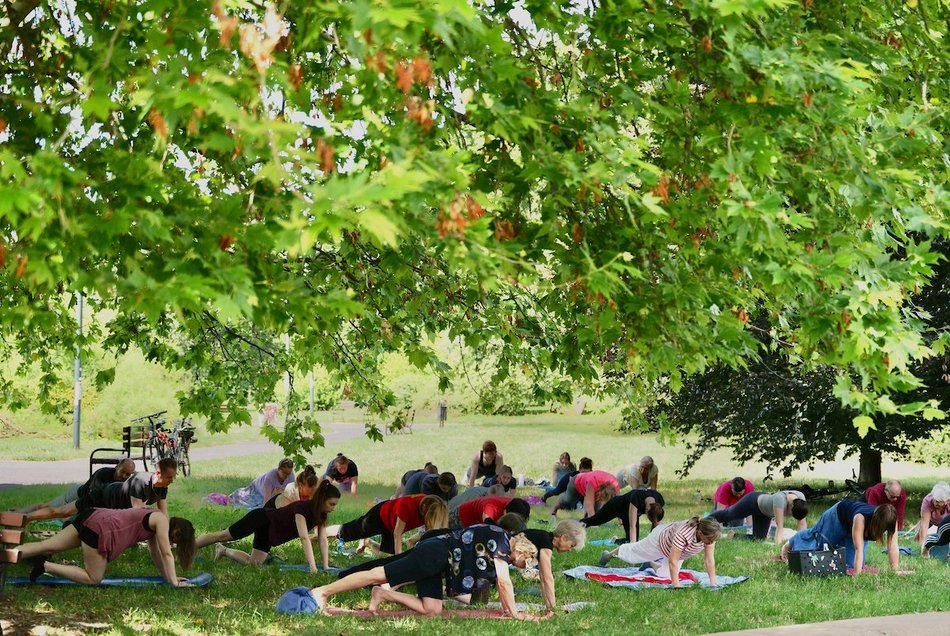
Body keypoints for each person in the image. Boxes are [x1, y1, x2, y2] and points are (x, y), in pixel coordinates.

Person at [310, 524, 538, 619]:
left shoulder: (501, 539)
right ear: (521, 554)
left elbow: (502, 583)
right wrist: (516, 614)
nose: (521, 567)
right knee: (376, 573)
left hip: (439, 560)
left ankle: (383, 594)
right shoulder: (502, 543)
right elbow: (504, 584)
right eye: (525, 563)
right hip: (434, 554)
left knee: (432, 609)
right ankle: (323, 592)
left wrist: (510, 611)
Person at [17, 507, 195, 586]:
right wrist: (174, 583)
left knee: (44, 545)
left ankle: (6, 554)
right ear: (177, 530)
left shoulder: (154, 518)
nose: (173, 543)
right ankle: (45, 565)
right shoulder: (162, 520)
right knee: (94, 578)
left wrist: (169, 578)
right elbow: (166, 553)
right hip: (100, 528)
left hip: (92, 516)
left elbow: (157, 555)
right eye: (177, 540)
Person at [195, 480, 341, 572]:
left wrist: (326, 565)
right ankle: (186, 546)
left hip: (269, 533)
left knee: (254, 564)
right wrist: (313, 567)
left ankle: (223, 550)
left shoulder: (321, 515)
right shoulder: (302, 508)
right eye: (331, 504)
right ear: (322, 500)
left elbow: (323, 540)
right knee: (223, 535)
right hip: (262, 518)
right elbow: (304, 537)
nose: (333, 508)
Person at [26, 458, 178, 522]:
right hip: (94, 495)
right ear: (158, 474)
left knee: (65, 515)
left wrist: (168, 527)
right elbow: (137, 510)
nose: (172, 481)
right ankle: (25, 517)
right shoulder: (140, 480)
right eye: (169, 477)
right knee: (60, 511)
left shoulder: (162, 488)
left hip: (107, 504)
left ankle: (25, 517)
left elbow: (163, 514)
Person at [783, 501, 901, 575]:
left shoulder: (891, 520)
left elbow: (893, 547)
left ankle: (841, 547)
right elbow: (858, 549)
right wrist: (858, 575)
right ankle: (793, 540)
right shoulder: (861, 518)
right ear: (876, 521)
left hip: (852, 527)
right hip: (837, 517)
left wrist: (895, 570)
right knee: (820, 548)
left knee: (849, 565)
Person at [599, 517, 722, 588]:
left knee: (666, 575)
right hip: (658, 542)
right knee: (633, 554)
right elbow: (673, 561)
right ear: (700, 532)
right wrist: (676, 586)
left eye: (713, 540)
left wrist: (713, 583)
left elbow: (709, 560)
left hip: (679, 551)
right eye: (710, 539)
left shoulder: (709, 537)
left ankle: (651, 564)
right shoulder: (683, 534)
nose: (711, 542)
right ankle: (608, 555)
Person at [331, 494, 447, 555]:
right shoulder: (407, 506)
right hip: (380, 516)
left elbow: (431, 532)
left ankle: (368, 542)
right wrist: (400, 558)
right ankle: (318, 534)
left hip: (391, 526)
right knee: (349, 531)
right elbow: (397, 534)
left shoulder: (432, 506)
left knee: (387, 557)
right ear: (425, 510)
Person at [19, 459, 136, 513]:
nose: (124, 476)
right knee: (49, 507)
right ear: (117, 466)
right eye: (123, 471)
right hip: (78, 494)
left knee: (57, 512)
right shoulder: (103, 474)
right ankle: (20, 512)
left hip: (85, 503)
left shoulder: (126, 484)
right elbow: (92, 497)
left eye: (128, 474)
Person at [520, 520, 586, 610]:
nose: (570, 550)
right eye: (571, 545)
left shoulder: (544, 538)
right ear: (564, 538)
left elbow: (543, 577)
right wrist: (553, 608)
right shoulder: (546, 543)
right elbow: (547, 578)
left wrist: (549, 606)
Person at [707, 489, 807, 543]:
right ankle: (704, 522)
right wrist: (778, 546)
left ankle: (733, 535)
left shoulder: (801, 499)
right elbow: (779, 527)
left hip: (764, 513)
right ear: (791, 505)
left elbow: (802, 524)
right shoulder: (780, 500)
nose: (789, 514)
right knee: (728, 514)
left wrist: (802, 543)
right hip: (752, 502)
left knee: (759, 538)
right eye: (790, 512)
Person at [580, 488, 664, 543]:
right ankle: (577, 525)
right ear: (646, 510)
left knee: (630, 540)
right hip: (615, 506)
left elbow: (656, 524)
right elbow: (632, 526)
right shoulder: (637, 497)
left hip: (627, 514)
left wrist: (652, 542)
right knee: (595, 520)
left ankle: (614, 541)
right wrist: (633, 549)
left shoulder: (659, 501)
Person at [550, 469, 619, 521]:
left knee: (597, 511)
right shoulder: (592, 482)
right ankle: (554, 509)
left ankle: (585, 520)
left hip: (594, 485)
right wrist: (594, 523)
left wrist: (621, 522)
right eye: (601, 498)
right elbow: (589, 504)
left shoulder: (616, 484)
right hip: (576, 483)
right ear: (599, 492)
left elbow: (619, 506)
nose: (600, 500)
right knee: (568, 500)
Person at [229, 459, 295, 508]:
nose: (287, 476)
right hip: (257, 489)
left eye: (289, 473)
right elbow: (267, 500)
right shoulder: (270, 477)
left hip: (274, 493)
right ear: (278, 469)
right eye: (284, 473)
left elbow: (292, 495)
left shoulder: (291, 476)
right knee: (245, 501)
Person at [451, 496, 530, 530]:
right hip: (460, 517)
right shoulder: (490, 507)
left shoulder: (515, 505)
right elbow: (488, 527)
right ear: (506, 511)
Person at [918, 482, 950, 551]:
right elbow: (924, 524)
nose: (935, 503)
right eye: (934, 500)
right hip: (931, 520)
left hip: (946, 523)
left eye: (938, 501)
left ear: (946, 501)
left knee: (943, 540)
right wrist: (922, 545)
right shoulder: (927, 500)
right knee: (918, 533)